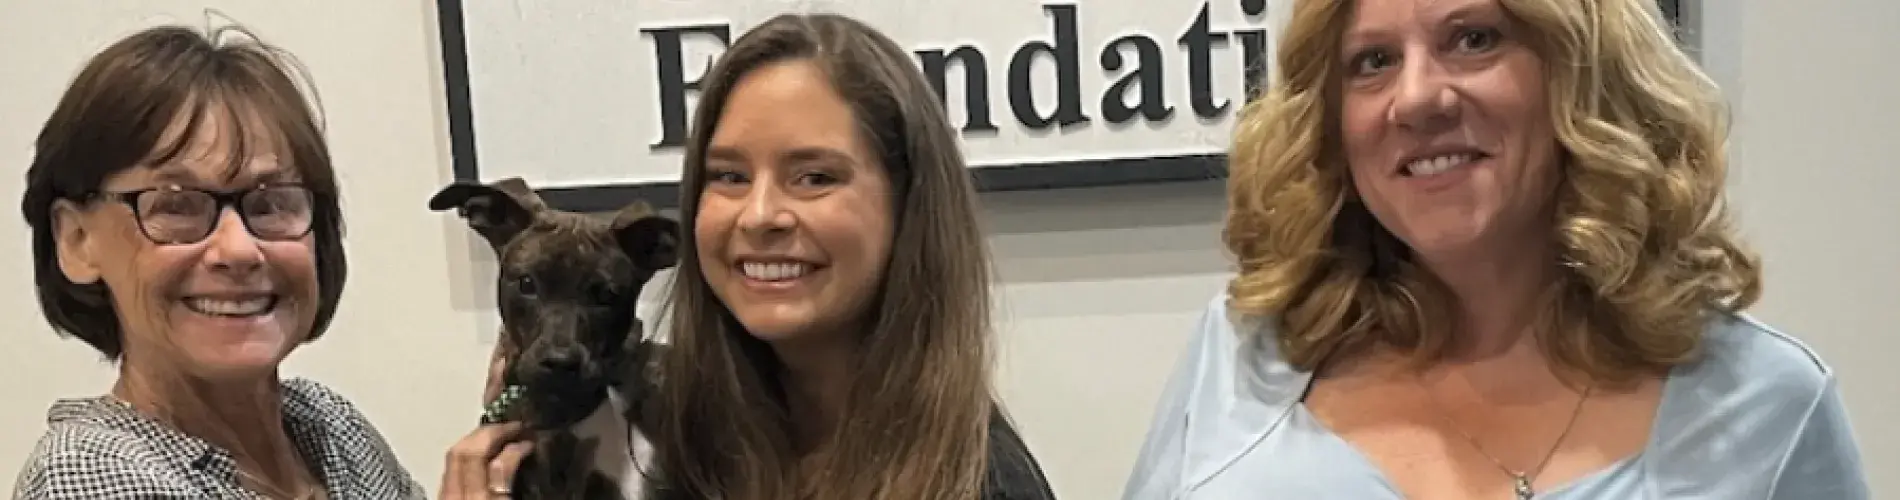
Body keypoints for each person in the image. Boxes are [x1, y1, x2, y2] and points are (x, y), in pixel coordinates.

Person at [1122, 0, 1869, 499]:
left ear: (1581, 75)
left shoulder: (1766, 407)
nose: (1416, 99)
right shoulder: (1238, 359)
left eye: (1473, 39)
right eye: (1372, 62)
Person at [441, 12, 1059, 500]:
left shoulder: (980, 483)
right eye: (729, 175)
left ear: (907, 205)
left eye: (815, 176)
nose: (760, 215)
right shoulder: (686, 434)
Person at [13, 24, 424, 499]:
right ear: (77, 240)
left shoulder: (333, 431)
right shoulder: (84, 475)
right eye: (176, 205)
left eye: (272, 203)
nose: (239, 250)